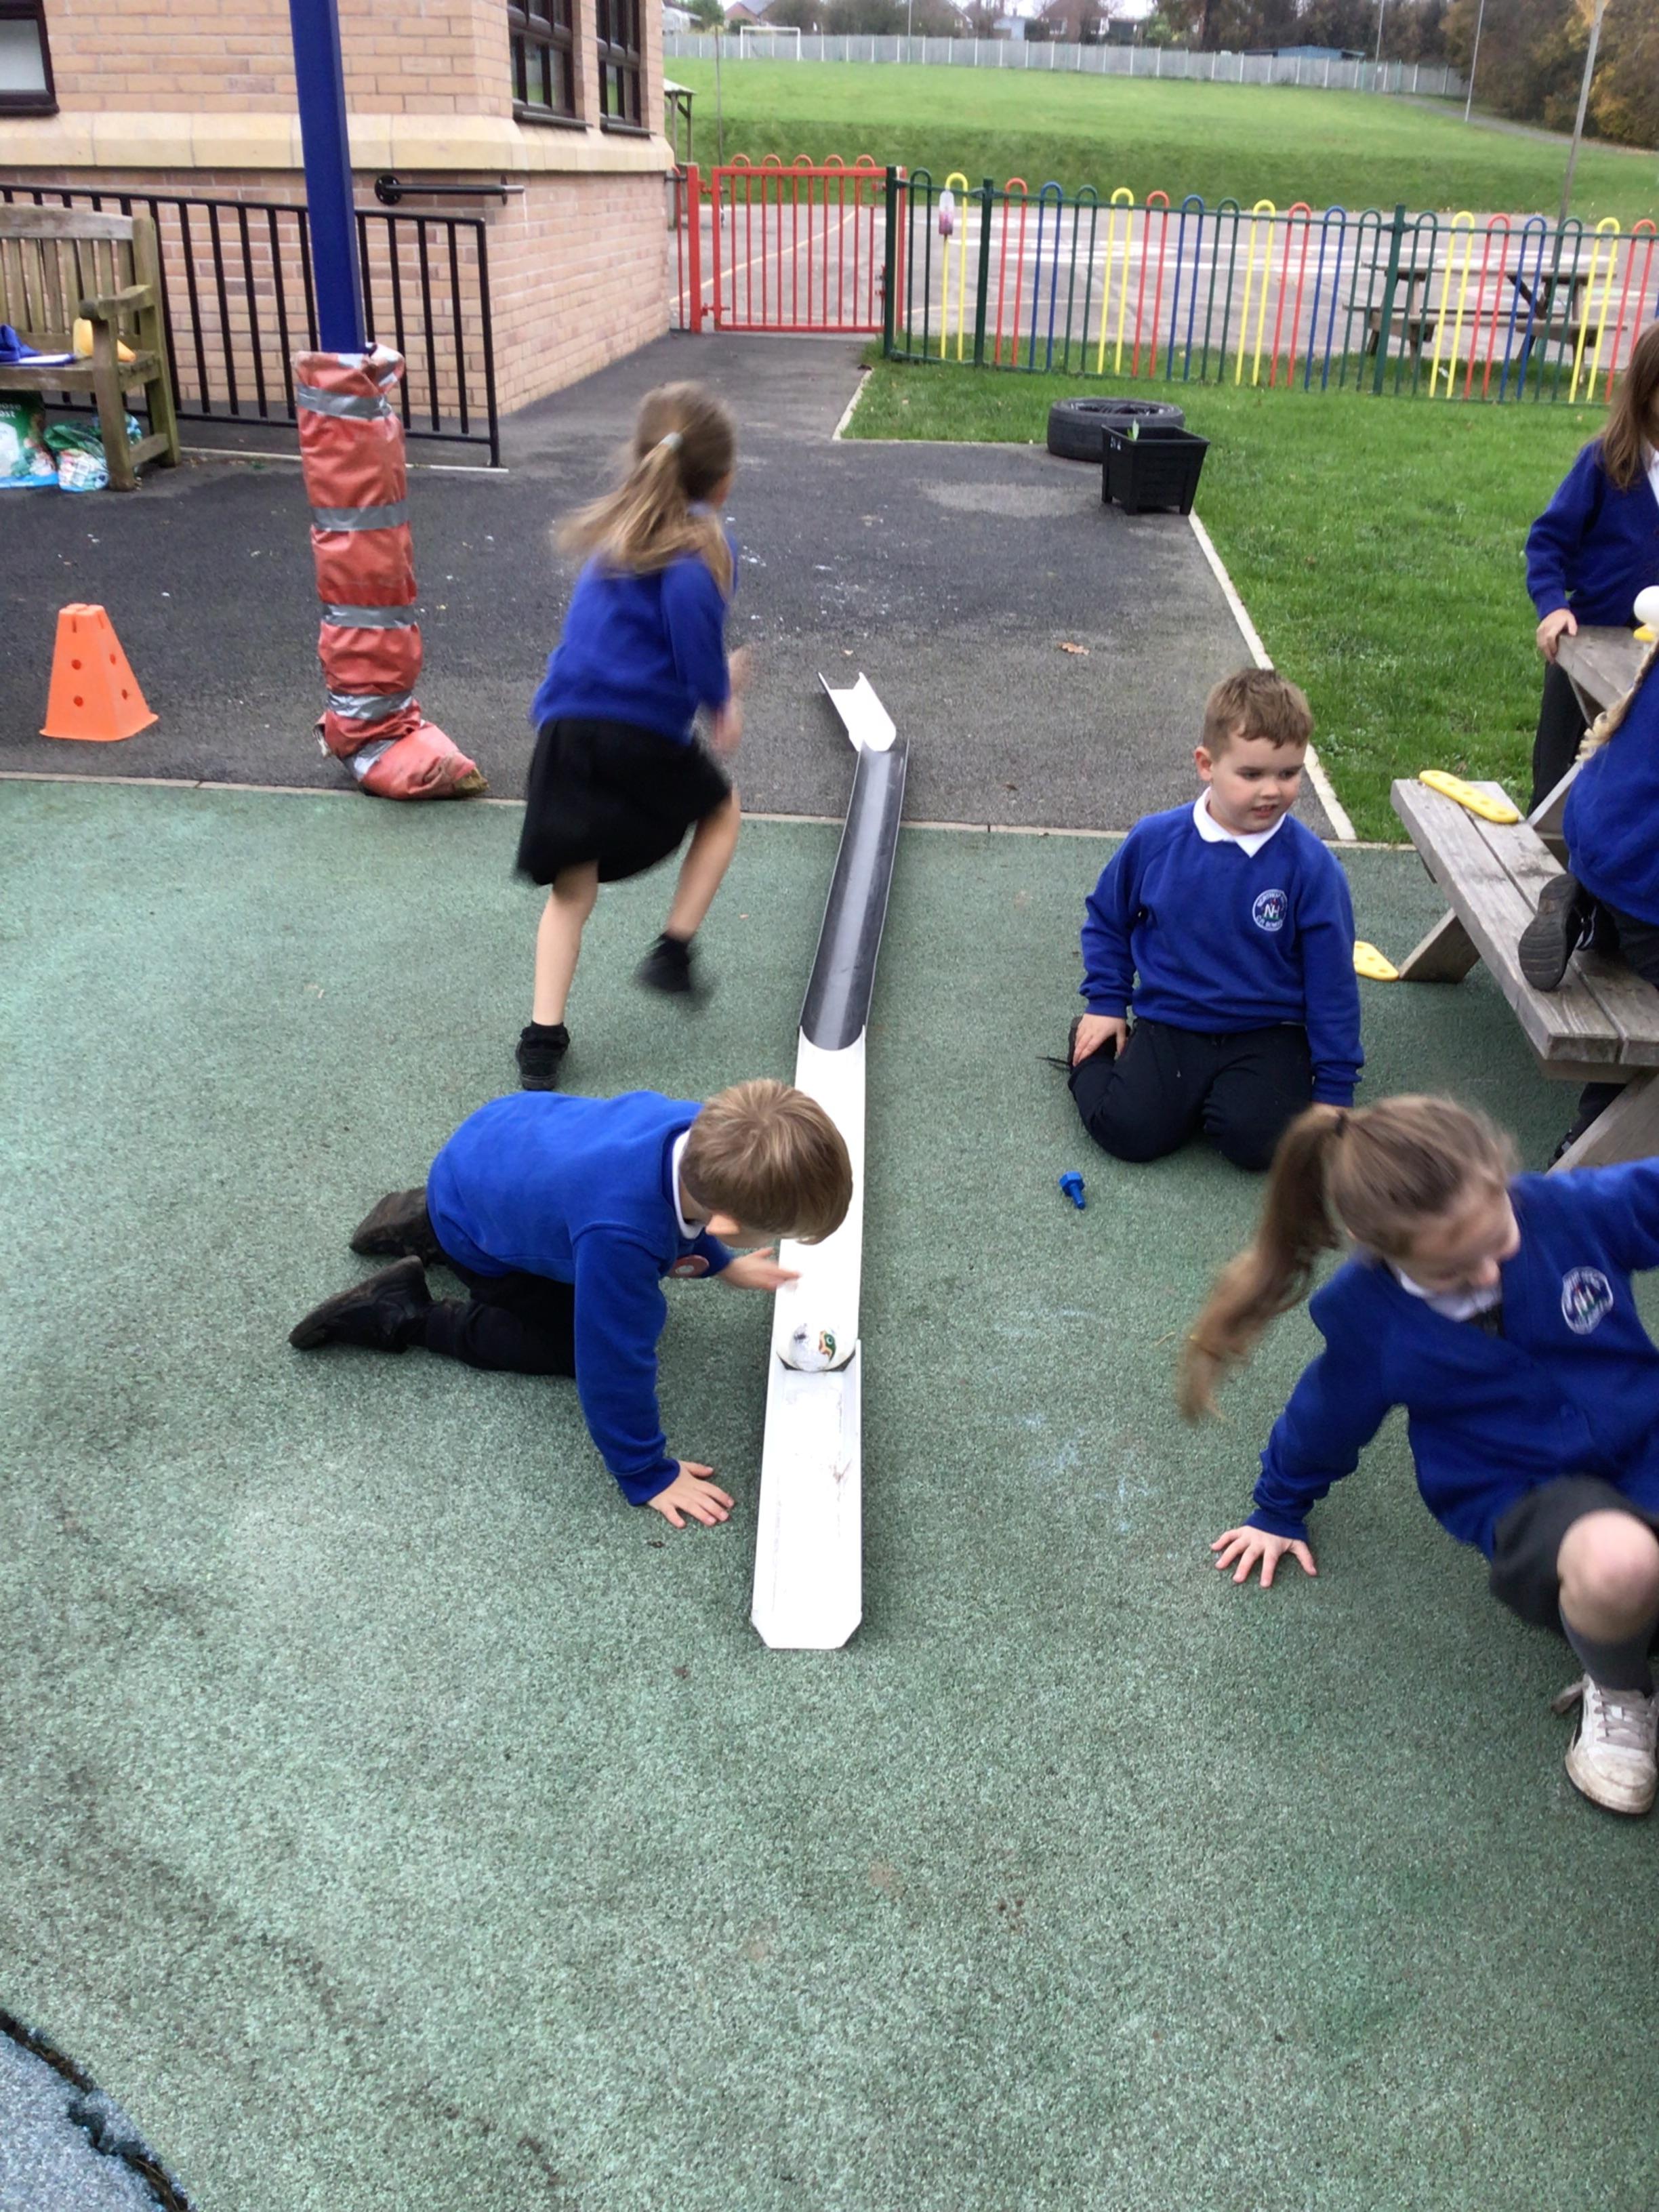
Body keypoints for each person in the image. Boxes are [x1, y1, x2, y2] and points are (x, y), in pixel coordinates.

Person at [1189, 1093, 1659, 1816]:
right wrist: (1277, 1507)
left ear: (1500, 1178)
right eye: (1452, 1269)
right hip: (1523, 1492)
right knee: (1621, 1564)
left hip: (1643, 1436)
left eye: (1497, 1239)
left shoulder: (1566, 1210)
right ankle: (1621, 1687)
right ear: (1384, 1252)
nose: (1487, 1274)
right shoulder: (1371, 1315)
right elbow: (1326, 1414)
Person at [289, 1080, 852, 1532]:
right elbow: (612, 1364)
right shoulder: (620, 1239)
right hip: (480, 1222)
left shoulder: (698, 1128)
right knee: (567, 1347)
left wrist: (723, 1264)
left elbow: (687, 1213)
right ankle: (408, 1310)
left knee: (536, 1204)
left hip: (500, 1139)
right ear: (725, 1222)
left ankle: (431, 1213)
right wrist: (646, 1472)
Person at [514, 382, 749, 1090]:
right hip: (635, 732)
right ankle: (673, 949)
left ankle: (542, 1040)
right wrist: (721, 698)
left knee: (572, 890)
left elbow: (600, 638)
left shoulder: (615, 537)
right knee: (721, 811)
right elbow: (691, 632)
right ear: (723, 478)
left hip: (566, 731)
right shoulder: (698, 544)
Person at [1062, 668, 1362, 1173]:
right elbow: (1109, 919)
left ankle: (1221, 1100)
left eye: (1289, 774)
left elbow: (1333, 982)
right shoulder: (1156, 841)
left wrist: (1334, 1089)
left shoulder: (1312, 868)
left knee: (1264, 1146)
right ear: (1207, 764)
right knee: (1127, 1130)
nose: (1272, 790)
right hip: (1173, 1018)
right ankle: (1091, 1048)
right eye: (1252, 774)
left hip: (1269, 1028)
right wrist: (1106, 1002)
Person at [1517, 642, 1659, 1158]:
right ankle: (1588, 1144)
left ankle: (1595, 913)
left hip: (1600, 833)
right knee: (1648, 1022)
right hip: (1645, 873)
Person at [1523, 320, 1659, 813]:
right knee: (1555, 787)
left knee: (1633, 785)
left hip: (1651, 660)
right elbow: (1547, 543)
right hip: (1586, 642)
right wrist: (1553, 607)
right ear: (1646, 388)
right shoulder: (1604, 462)